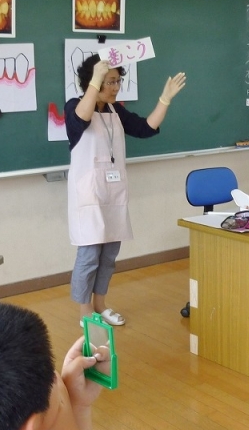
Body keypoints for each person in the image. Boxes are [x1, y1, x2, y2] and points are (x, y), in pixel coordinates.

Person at [66, 55, 186, 326]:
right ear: (94, 80)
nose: (116, 87)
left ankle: (100, 305)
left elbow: (146, 128)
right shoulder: (75, 106)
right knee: (89, 256)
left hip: (113, 193)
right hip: (89, 196)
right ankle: (85, 312)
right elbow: (81, 118)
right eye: (110, 81)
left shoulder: (115, 111)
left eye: (118, 81)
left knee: (109, 255)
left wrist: (165, 99)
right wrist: (96, 80)